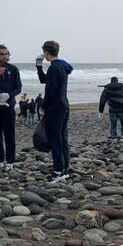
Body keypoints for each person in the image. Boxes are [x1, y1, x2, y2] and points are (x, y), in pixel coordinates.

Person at [36, 40, 74, 183]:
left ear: (46, 52)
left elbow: (50, 90)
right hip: (64, 105)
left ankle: (58, 171)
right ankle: (65, 168)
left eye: (44, 52)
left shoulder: (54, 68)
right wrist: (39, 67)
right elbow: (44, 80)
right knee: (62, 138)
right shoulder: (62, 66)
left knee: (55, 139)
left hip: (55, 108)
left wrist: (43, 106)